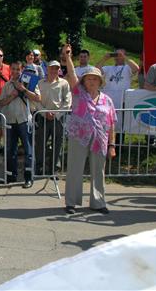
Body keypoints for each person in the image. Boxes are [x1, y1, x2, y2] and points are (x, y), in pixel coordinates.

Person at [63, 44, 116, 215]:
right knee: (74, 170)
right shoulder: (79, 93)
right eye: (89, 78)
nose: (92, 81)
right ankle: (71, 202)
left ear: (100, 81)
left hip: (99, 140)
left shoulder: (107, 100)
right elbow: (71, 74)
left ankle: (98, 202)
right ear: (84, 81)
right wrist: (68, 57)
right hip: (79, 136)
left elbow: (111, 123)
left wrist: (112, 145)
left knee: (98, 171)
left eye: (95, 79)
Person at [0, 61, 41, 188]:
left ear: (22, 70)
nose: (16, 71)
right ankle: (11, 175)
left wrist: (24, 90)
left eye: (18, 69)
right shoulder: (7, 85)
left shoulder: (30, 82)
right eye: (13, 69)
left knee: (28, 150)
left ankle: (28, 178)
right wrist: (12, 96)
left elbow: (38, 98)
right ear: (10, 70)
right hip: (11, 120)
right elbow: (1, 103)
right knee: (11, 150)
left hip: (24, 119)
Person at [34, 61, 72, 175]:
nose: (54, 71)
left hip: (58, 118)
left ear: (59, 70)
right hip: (43, 117)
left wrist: (57, 114)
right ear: (47, 69)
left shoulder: (64, 83)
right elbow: (37, 100)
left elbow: (68, 101)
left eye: (56, 69)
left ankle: (54, 169)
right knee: (40, 143)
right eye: (52, 68)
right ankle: (39, 167)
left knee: (57, 143)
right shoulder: (40, 83)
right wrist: (44, 113)